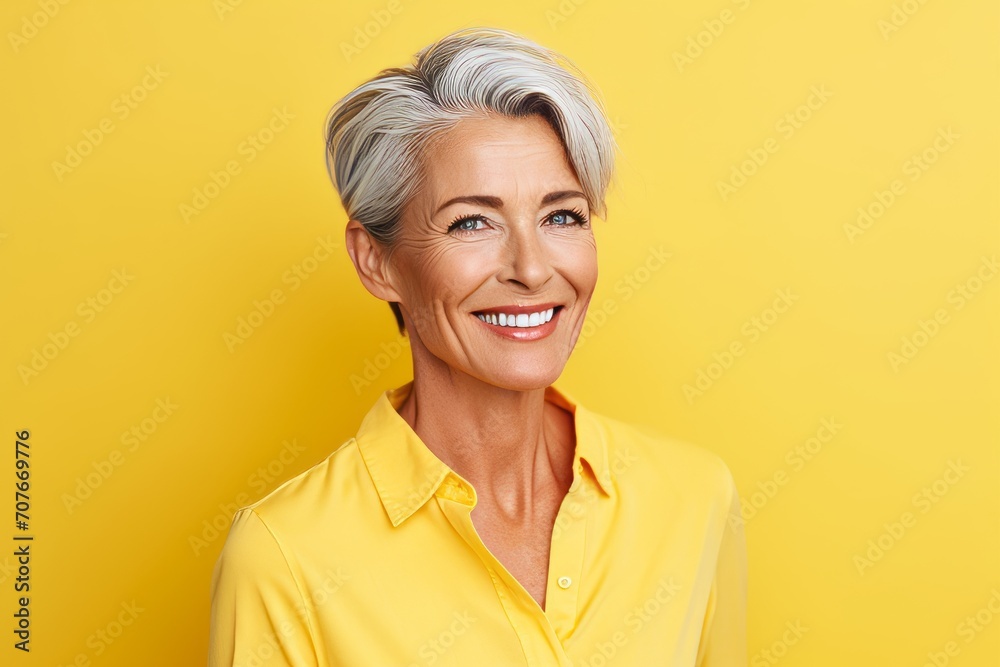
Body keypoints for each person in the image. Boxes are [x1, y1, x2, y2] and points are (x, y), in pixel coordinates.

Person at [208, 26, 747, 666]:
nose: (532, 267)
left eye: (562, 216)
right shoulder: (285, 556)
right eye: (471, 222)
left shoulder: (692, 498)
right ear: (376, 260)